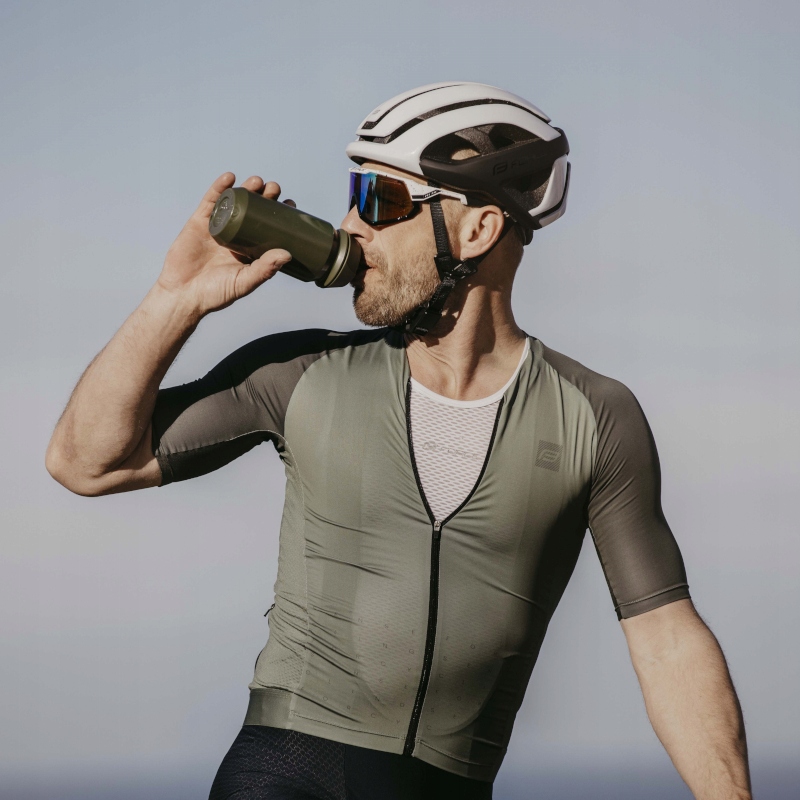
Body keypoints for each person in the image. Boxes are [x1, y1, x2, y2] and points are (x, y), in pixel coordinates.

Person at [46, 82, 751, 800]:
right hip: (288, 772)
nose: (351, 226)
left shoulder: (595, 417)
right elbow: (86, 463)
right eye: (352, 195)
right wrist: (175, 300)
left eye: (379, 200)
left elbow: (666, 638)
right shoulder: (300, 373)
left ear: (477, 230)